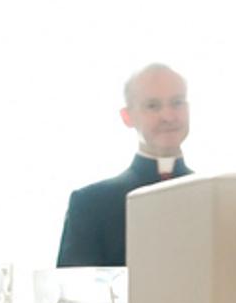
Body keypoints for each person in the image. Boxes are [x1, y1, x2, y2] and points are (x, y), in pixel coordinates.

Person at [56, 63, 191, 267]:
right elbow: (74, 294)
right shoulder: (91, 204)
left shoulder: (217, 198)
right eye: (153, 106)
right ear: (127, 117)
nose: (168, 116)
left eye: (177, 102)